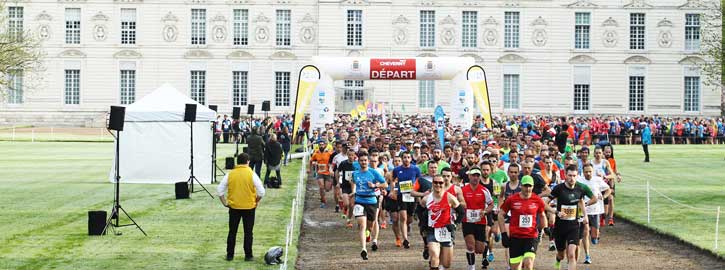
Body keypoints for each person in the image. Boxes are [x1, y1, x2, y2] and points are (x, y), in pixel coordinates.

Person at [217, 153, 266, 261]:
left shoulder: (230, 174)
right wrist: (256, 200)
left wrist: (224, 202)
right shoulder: (252, 174)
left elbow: (220, 190)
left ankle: (230, 255)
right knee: (248, 232)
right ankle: (248, 255)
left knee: (232, 232)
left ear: (237, 162)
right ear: (248, 162)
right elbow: (262, 192)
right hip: (249, 207)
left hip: (234, 207)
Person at [550, 165, 596, 270]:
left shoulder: (581, 188)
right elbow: (545, 204)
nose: (572, 178)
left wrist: (585, 215)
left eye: (574, 176)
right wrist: (556, 212)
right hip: (560, 226)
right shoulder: (558, 188)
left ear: (577, 176)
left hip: (574, 226)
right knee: (561, 255)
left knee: (571, 254)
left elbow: (585, 200)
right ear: (565, 175)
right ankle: (557, 259)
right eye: (570, 175)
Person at [498, 175, 547, 270]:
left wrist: (544, 228)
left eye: (530, 186)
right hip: (516, 237)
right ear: (521, 186)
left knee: (528, 264)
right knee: (515, 267)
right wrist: (504, 234)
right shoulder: (512, 199)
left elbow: (542, 215)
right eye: (525, 186)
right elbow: (500, 215)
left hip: (531, 237)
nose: (527, 189)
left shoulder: (537, 200)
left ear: (533, 187)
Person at [350, 152, 387, 260]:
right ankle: (363, 249)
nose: (363, 162)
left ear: (368, 161)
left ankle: (369, 234)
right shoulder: (355, 173)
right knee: (362, 225)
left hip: (371, 201)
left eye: (365, 160)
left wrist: (375, 185)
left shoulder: (373, 172)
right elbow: (352, 181)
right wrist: (353, 191)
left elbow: (385, 184)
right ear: (359, 162)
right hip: (359, 200)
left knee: (370, 226)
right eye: (361, 160)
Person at [422, 174, 464, 270]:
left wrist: (455, 224)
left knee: (446, 264)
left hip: (447, 231)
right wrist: (423, 227)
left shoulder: (450, 198)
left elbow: (461, 212)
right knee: (434, 257)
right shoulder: (426, 199)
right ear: (432, 184)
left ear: (444, 184)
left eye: (440, 183)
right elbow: (420, 211)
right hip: (432, 230)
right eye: (435, 182)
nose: (438, 185)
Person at [577, 163, 611, 264]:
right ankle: (587, 255)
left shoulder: (597, 180)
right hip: (584, 210)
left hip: (596, 210)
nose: (588, 173)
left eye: (590, 171)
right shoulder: (579, 180)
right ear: (583, 172)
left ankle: (595, 236)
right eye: (586, 171)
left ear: (593, 171)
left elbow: (608, 189)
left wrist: (604, 197)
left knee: (594, 235)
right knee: (585, 232)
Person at [461, 167, 494, 270]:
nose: (475, 178)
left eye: (477, 176)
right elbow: (457, 203)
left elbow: (491, 204)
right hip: (467, 221)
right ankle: (471, 267)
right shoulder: (463, 190)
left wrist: (484, 211)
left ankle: (486, 249)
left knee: (479, 249)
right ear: (469, 176)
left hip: (480, 221)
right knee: (470, 246)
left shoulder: (484, 190)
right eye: (473, 175)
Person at [310, 139, 334, 208]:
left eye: (322, 144)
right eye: (320, 145)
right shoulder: (316, 153)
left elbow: (333, 160)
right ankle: (323, 201)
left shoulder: (329, 153)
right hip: (320, 172)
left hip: (327, 172)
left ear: (325, 145)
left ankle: (331, 184)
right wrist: (311, 167)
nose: (321, 146)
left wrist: (331, 168)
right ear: (318, 146)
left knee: (327, 189)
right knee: (321, 187)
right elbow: (311, 161)